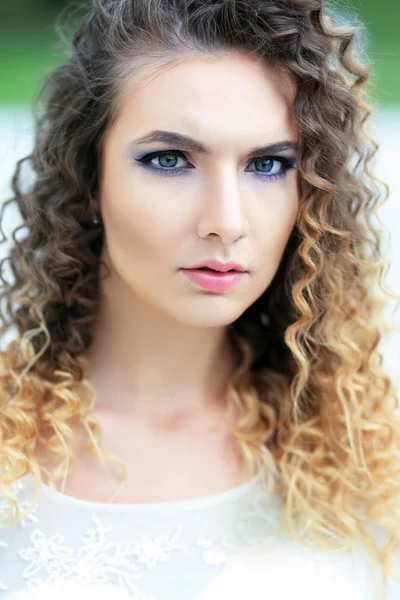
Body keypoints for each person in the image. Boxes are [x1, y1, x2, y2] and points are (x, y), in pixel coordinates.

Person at [0, 0, 399, 598]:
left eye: (268, 165)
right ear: (86, 178)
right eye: (169, 160)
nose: (228, 222)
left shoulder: (366, 448)